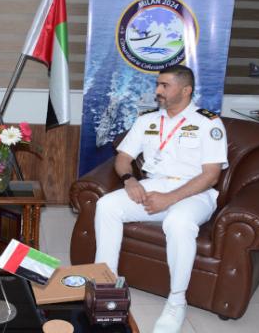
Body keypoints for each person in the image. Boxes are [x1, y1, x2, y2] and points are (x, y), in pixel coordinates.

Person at [94, 65, 228, 333]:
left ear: (186, 90)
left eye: (165, 85)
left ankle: (176, 301)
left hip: (195, 192)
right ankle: (106, 286)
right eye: (158, 84)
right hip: (154, 184)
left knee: (178, 223)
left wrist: (169, 199)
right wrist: (129, 180)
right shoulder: (147, 120)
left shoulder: (209, 123)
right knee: (106, 205)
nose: (157, 91)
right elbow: (123, 158)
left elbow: (211, 175)